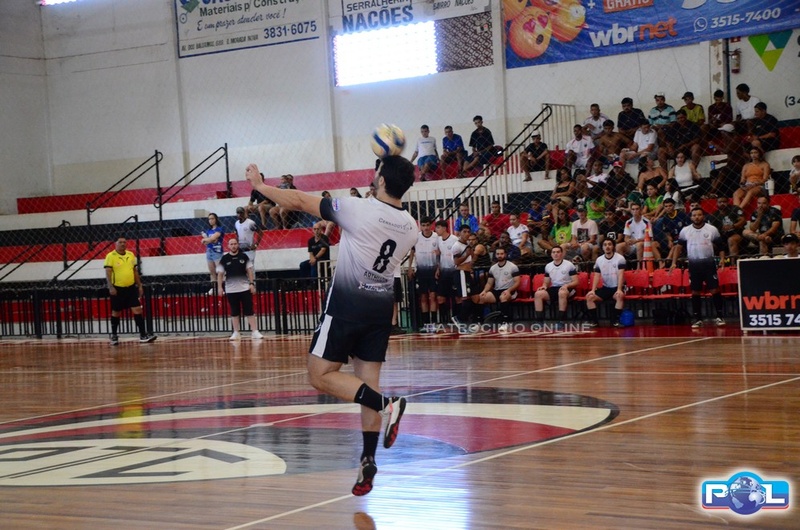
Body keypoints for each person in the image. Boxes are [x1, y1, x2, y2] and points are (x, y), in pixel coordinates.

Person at [245, 155, 415, 497]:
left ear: (382, 180)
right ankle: (368, 459)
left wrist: (260, 186)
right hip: (380, 310)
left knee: (319, 375)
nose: (373, 174)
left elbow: (297, 200)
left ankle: (388, 405)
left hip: (347, 306)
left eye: (377, 171)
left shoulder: (358, 208)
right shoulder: (410, 226)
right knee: (366, 384)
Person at [671, 208, 726, 328]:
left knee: (714, 290)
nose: (697, 217)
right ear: (691, 217)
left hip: (709, 265)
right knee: (695, 292)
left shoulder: (712, 229)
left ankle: (719, 316)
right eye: (694, 215)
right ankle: (697, 318)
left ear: (703, 216)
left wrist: (722, 259)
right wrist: (674, 262)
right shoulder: (685, 231)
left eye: (699, 215)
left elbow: (721, 246)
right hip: (694, 266)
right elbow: (678, 247)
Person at [104, 236, 157, 345]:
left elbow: (134, 271)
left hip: (131, 288)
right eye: (120, 242)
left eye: (124, 242)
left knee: (138, 310)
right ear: (115, 244)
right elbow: (108, 272)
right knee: (116, 312)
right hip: (117, 288)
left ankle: (143, 335)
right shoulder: (110, 256)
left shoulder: (131, 255)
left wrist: (140, 285)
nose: (123, 244)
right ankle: (114, 335)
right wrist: (111, 287)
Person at [217, 238, 264, 341]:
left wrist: (251, 284)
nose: (233, 246)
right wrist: (219, 287)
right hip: (231, 290)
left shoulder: (244, 256)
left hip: (244, 288)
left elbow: (249, 271)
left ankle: (254, 331)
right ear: (228, 246)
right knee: (234, 311)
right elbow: (220, 274)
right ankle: (236, 332)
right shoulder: (224, 258)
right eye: (231, 244)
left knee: (249, 310)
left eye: (235, 244)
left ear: (237, 245)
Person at [407, 217, 440, 330]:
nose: (426, 228)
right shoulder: (416, 237)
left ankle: (433, 323)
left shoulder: (436, 237)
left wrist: (438, 267)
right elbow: (412, 252)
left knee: (433, 296)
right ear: (420, 226)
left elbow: (440, 253)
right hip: (421, 271)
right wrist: (410, 268)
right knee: (423, 297)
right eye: (423, 225)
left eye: (427, 225)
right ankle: (426, 324)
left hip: (433, 271)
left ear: (431, 225)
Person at [478, 247, 520, 332]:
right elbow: (489, 283)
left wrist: (509, 290)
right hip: (497, 290)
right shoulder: (493, 268)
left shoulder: (513, 267)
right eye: (497, 254)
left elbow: (517, 282)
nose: (499, 256)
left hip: (510, 290)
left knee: (503, 297)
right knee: (482, 297)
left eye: (501, 254)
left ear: (505, 254)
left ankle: (505, 322)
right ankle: (479, 323)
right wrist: (484, 291)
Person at [534, 245, 578, 326]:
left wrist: (566, 286)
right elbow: (546, 282)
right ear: (551, 254)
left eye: (558, 252)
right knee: (538, 294)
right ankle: (539, 322)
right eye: (553, 252)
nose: (556, 254)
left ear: (562, 253)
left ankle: (561, 321)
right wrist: (544, 286)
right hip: (554, 287)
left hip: (568, 287)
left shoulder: (569, 265)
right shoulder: (548, 266)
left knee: (562, 293)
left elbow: (576, 282)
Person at [586, 239, 626, 327]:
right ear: (602, 247)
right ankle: (595, 322)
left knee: (619, 296)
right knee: (590, 297)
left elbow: (621, 275)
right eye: (605, 245)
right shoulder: (599, 260)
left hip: (616, 286)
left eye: (609, 244)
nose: (607, 246)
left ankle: (615, 321)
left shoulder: (620, 258)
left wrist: (619, 289)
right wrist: (593, 290)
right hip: (606, 288)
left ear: (613, 246)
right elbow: (596, 276)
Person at [653, 198, 690, 267]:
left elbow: (688, 229)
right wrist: (669, 240)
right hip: (673, 240)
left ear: (674, 206)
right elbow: (667, 232)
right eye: (666, 206)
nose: (668, 208)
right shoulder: (665, 218)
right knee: (653, 244)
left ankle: (666, 264)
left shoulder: (682, 215)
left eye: (670, 206)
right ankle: (660, 263)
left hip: (682, 240)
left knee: (675, 247)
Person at [708, 196, 746, 262]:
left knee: (731, 240)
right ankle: (711, 263)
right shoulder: (714, 215)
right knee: (709, 243)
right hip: (722, 236)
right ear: (717, 203)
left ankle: (733, 264)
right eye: (720, 202)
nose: (722, 203)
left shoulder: (734, 209)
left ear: (728, 202)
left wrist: (733, 226)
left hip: (738, 233)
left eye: (724, 202)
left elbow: (743, 220)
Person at [733, 147, 771, 211]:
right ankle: (736, 210)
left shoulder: (765, 165)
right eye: (751, 153)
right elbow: (742, 180)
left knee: (750, 192)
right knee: (736, 193)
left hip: (759, 185)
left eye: (755, 152)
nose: (753, 155)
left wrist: (754, 184)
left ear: (759, 154)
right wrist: (742, 186)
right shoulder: (746, 166)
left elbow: (765, 179)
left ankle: (739, 210)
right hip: (747, 185)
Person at [200, 212, 224, 294]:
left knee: (220, 271)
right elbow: (209, 241)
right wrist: (208, 240)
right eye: (209, 219)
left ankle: (221, 288)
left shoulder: (219, 229)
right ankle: (214, 288)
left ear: (216, 219)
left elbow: (213, 239)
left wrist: (205, 238)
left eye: (212, 218)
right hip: (209, 251)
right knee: (212, 271)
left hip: (217, 252)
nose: (210, 220)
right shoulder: (209, 230)